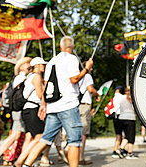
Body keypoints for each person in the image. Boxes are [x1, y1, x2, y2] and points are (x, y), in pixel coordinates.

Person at [22, 36, 93, 167]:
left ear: (60, 47)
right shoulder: (71, 59)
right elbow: (74, 79)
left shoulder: (52, 61)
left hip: (52, 106)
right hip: (68, 105)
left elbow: (46, 84)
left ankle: (26, 164)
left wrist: (43, 105)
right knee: (74, 141)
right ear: (73, 47)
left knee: (45, 139)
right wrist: (86, 68)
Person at [0, 57, 32, 167]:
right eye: (27, 63)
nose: (30, 65)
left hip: (17, 110)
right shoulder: (21, 78)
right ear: (21, 67)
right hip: (19, 110)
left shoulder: (18, 78)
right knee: (17, 135)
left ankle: (19, 161)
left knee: (20, 135)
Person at [14, 57, 46, 167]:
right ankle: (20, 161)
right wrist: (46, 87)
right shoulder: (36, 77)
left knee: (30, 136)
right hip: (33, 109)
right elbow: (39, 95)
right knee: (40, 136)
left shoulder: (28, 77)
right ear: (37, 65)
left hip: (26, 109)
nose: (44, 66)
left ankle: (23, 161)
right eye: (42, 64)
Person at [78, 63, 100, 165]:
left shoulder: (76, 75)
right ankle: (80, 158)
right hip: (84, 106)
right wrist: (97, 94)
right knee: (83, 133)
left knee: (76, 131)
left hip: (75, 105)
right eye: (91, 66)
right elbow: (90, 89)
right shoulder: (87, 76)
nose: (92, 68)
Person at [116, 86, 137, 159]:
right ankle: (130, 153)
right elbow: (135, 108)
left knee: (126, 136)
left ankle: (121, 149)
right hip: (130, 118)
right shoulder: (132, 98)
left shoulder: (121, 98)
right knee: (131, 136)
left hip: (121, 118)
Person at [111, 85, 125, 159]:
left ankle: (119, 149)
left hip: (116, 117)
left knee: (119, 135)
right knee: (120, 135)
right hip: (121, 117)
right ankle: (115, 150)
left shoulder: (114, 97)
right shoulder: (121, 97)